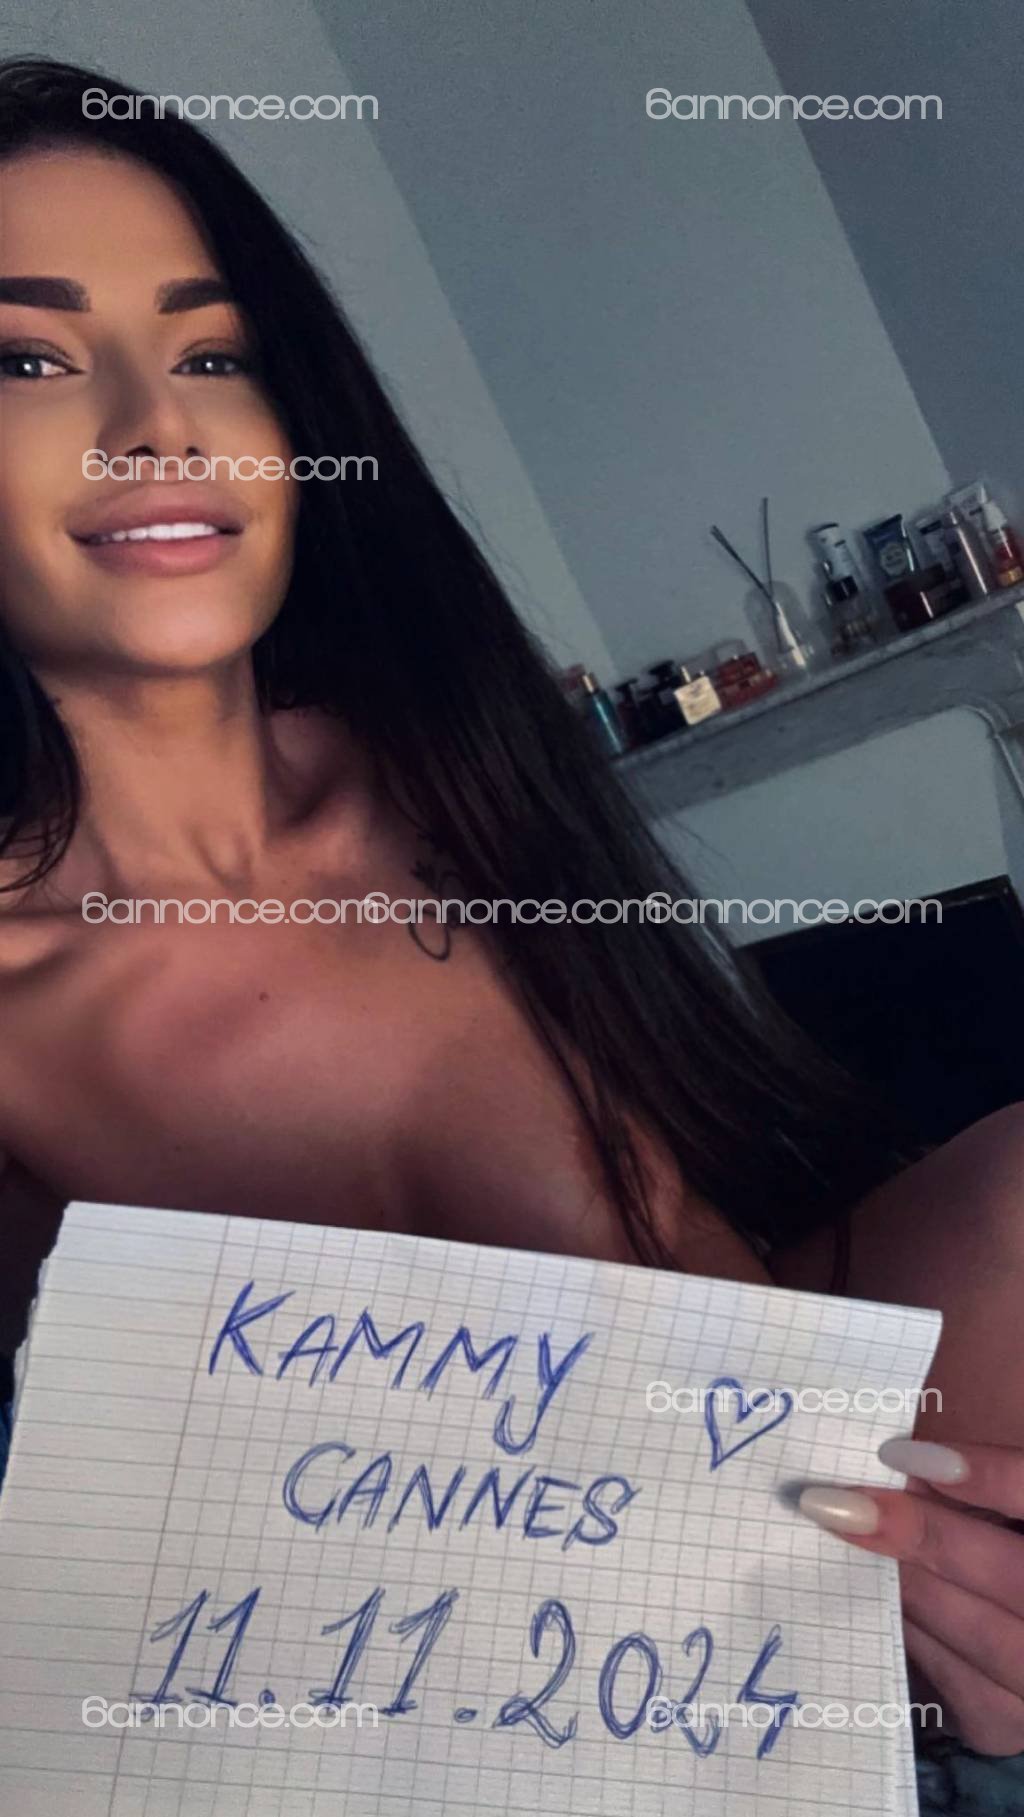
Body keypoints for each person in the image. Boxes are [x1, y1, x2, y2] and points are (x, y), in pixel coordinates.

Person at [0, 57, 1021, 1762]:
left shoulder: (456, 771)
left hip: (797, 1578)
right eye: (26, 359)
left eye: (213, 352)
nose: (154, 423)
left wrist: (945, 1606)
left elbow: (722, 1257)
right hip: (437, 1739)